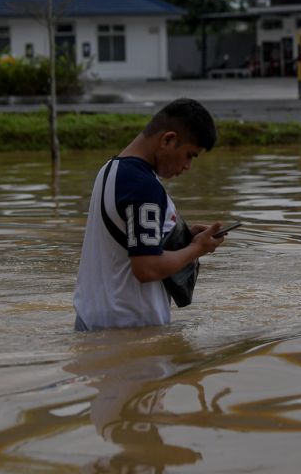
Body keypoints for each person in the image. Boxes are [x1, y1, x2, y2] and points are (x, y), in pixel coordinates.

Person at [73, 98, 226, 331]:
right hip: (129, 334)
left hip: (92, 322)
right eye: (190, 155)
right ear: (168, 140)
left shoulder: (110, 170)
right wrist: (198, 249)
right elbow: (147, 268)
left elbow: (126, 242)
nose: (188, 166)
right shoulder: (144, 186)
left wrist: (182, 236)